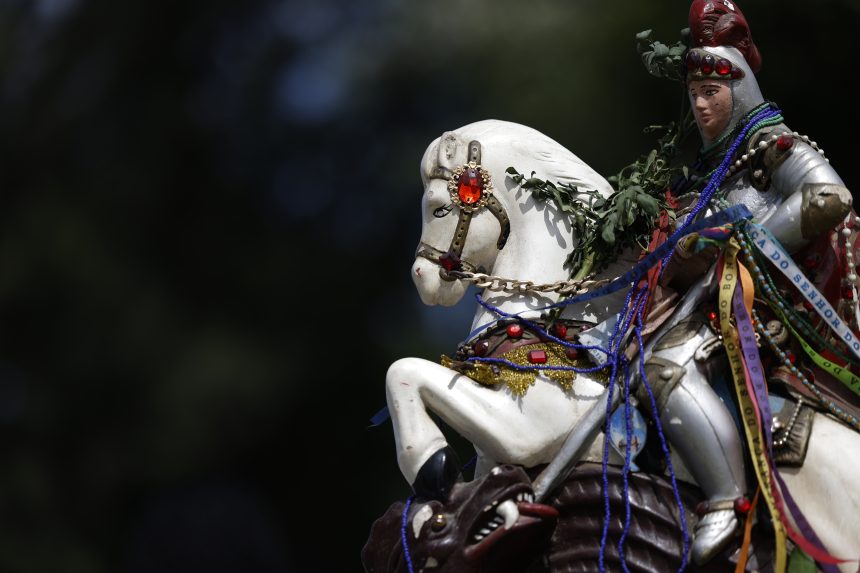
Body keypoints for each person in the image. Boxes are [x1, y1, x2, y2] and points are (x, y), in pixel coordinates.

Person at [640, 0, 852, 565]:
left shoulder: (771, 144)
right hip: (704, 306)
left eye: (713, 91)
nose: (702, 104)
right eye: (694, 93)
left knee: (666, 367)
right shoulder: (701, 177)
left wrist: (733, 240)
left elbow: (829, 197)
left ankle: (726, 503)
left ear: (742, 88)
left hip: (769, 315)